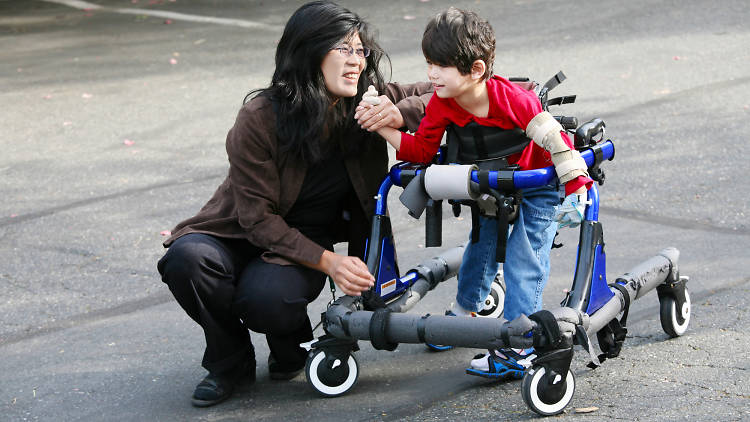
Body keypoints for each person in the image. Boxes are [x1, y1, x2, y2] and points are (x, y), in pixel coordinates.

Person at [157, 1, 432, 407]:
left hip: (303, 239)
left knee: (267, 301)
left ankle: (290, 346)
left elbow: (448, 91)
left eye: (360, 50)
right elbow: (256, 219)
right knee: (186, 260)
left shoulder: (366, 103)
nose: (356, 61)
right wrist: (330, 263)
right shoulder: (260, 117)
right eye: (343, 49)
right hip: (238, 231)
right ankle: (228, 361)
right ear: (308, 52)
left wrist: (399, 110)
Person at [361, 7, 593, 380]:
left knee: (523, 255)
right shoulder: (443, 103)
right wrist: (381, 129)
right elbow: (420, 151)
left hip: (539, 183)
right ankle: (464, 315)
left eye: (441, 65)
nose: (431, 74)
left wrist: (576, 190)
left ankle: (521, 343)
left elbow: (556, 140)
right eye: (429, 63)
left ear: (477, 70)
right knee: (480, 244)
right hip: (492, 182)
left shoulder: (511, 99)